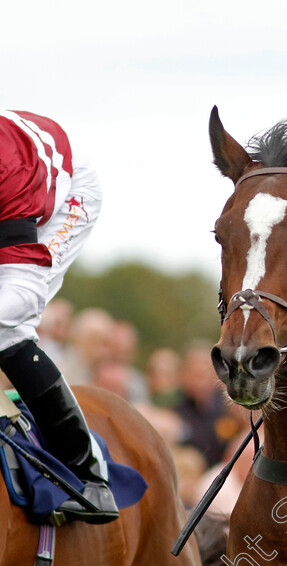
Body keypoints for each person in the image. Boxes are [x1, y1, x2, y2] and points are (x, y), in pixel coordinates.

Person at [0, 110, 118, 523]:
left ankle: (89, 478)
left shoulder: (7, 169)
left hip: (63, 198)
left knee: (7, 329)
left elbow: (23, 294)